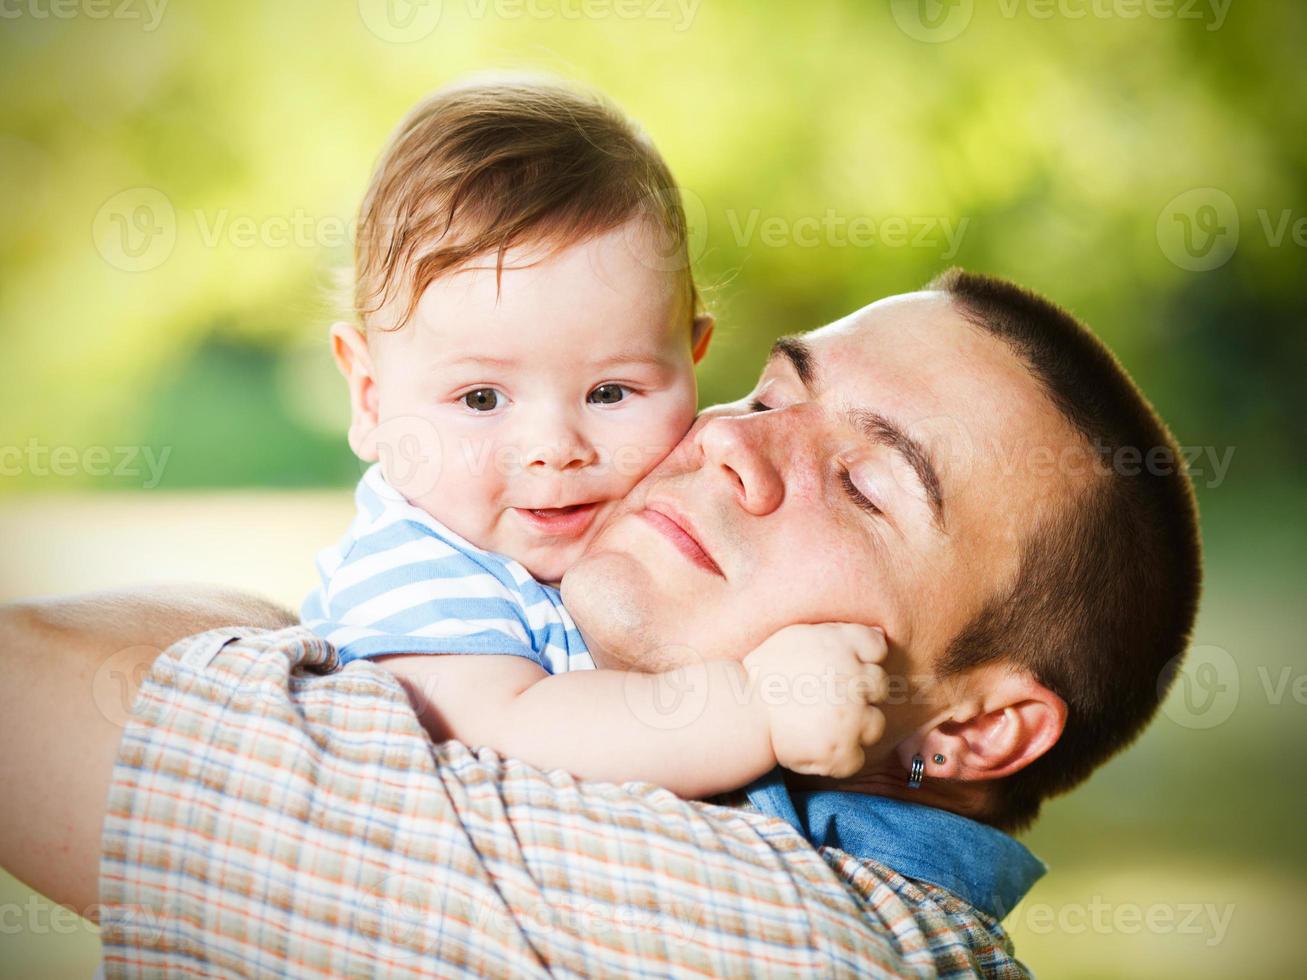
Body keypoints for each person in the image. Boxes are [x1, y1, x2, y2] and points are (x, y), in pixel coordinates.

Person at [0, 271, 1202, 977]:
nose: (731, 439)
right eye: (775, 392)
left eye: (866, 483)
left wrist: (379, 673)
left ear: (978, 729)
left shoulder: (743, 932)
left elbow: (26, 697)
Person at [304, 76, 887, 798]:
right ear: (370, 398)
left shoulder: (629, 550)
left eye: (610, 393)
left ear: (691, 362)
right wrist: (757, 703)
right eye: (481, 398)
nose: (555, 447)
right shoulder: (413, 569)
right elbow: (513, 733)